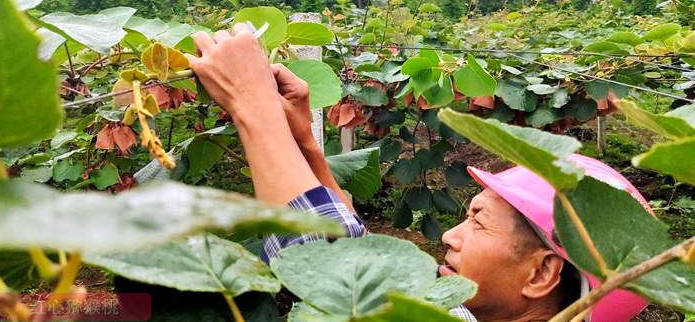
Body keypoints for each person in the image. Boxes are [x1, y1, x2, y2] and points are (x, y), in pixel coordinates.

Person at [188, 25, 650, 322]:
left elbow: (322, 264)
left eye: (478, 220)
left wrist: (252, 103)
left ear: (541, 273)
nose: (450, 236)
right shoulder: (466, 308)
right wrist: (303, 141)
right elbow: (361, 254)